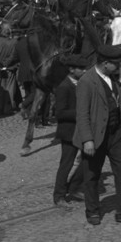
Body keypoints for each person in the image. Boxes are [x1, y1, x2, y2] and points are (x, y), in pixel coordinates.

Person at [72, 44, 121, 225]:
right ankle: (92, 211)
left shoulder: (111, 78)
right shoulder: (87, 81)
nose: (119, 67)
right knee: (92, 175)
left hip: (115, 133)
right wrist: (87, 140)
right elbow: (82, 114)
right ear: (105, 63)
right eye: (116, 64)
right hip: (95, 136)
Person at [52, 54, 88, 208]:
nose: (84, 71)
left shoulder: (81, 84)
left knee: (89, 159)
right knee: (66, 163)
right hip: (68, 132)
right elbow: (59, 113)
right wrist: (81, 112)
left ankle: (74, 187)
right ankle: (59, 196)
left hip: (81, 130)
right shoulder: (64, 86)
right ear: (72, 70)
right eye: (81, 69)